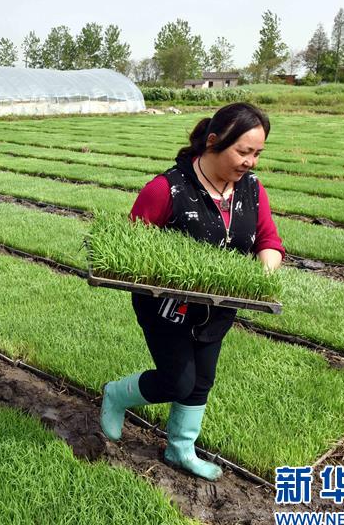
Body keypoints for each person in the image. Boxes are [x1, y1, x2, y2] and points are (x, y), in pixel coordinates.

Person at [99, 102, 284, 481]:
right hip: (166, 310)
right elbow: (128, 247)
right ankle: (117, 394)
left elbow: (268, 240)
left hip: (218, 309)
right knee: (176, 380)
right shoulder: (166, 188)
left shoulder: (251, 190)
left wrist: (261, 275)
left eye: (258, 154)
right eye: (243, 152)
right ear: (213, 142)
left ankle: (180, 448)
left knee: (202, 379)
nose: (251, 162)